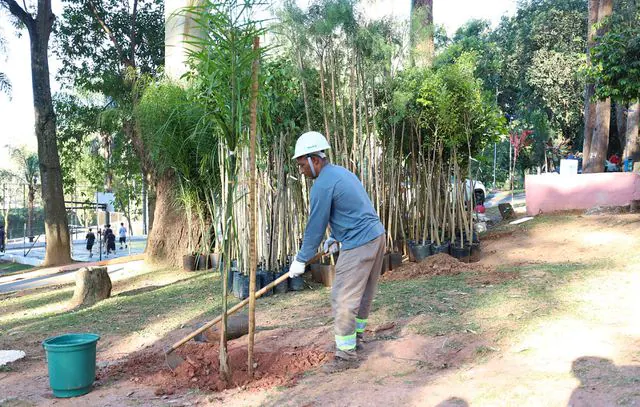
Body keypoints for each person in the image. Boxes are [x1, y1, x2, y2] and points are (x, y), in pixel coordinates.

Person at [288, 131, 386, 373]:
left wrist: (301, 260)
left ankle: (345, 356)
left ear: (315, 160)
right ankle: (357, 340)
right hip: (375, 236)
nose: (301, 170)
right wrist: (336, 236)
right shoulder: (342, 173)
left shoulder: (322, 185)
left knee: (342, 297)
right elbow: (354, 207)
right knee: (362, 294)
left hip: (360, 243)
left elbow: (315, 225)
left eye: (302, 164)